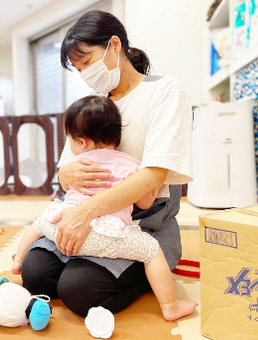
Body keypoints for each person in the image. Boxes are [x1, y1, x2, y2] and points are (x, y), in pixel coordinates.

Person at [20, 10, 194, 318]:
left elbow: (153, 178)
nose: (84, 73)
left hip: (142, 226)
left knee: (79, 290)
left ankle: (146, 273)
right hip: (84, 218)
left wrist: (87, 211)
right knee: (35, 274)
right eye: (78, 68)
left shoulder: (164, 91)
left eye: (86, 62)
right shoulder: (96, 105)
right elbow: (66, 170)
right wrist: (67, 175)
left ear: (115, 45)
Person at [12, 96, 197, 321]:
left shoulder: (78, 164)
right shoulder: (129, 164)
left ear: (83, 142)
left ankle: (17, 260)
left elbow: (65, 187)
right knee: (150, 251)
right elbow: (146, 202)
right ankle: (170, 306)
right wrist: (153, 179)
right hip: (106, 235)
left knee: (40, 222)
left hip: (63, 226)